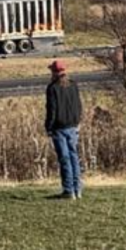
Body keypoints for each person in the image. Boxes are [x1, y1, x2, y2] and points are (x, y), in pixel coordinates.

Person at [45, 59, 83, 200]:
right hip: (73, 126)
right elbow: (78, 105)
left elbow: (51, 110)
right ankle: (77, 189)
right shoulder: (73, 85)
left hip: (59, 128)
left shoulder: (52, 88)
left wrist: (48, 127)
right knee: (74, 157)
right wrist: (78, 121)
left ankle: (68, 190)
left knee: (65, 159)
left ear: (54, 72)